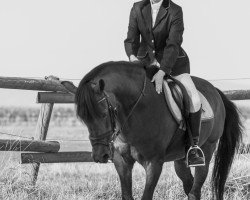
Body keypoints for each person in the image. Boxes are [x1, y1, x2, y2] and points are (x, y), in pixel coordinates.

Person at [124, 0, 205, 167]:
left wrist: (162, 72)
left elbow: (173, 44)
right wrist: (132, 58)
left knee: (195, 99)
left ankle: (193, 147)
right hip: (143, 63)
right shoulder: (138, 7)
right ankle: (118, 143)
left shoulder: (175, 10)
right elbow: (131, 39)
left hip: (174, 64)